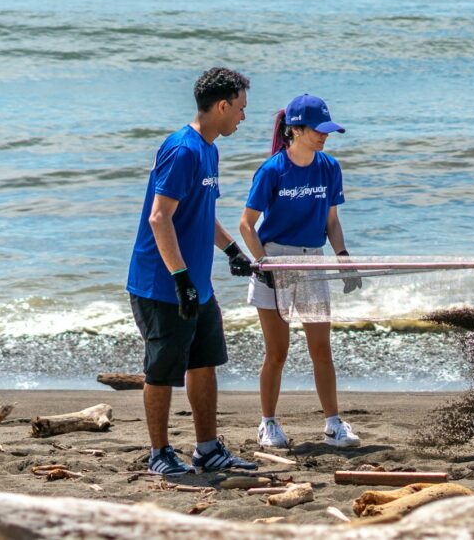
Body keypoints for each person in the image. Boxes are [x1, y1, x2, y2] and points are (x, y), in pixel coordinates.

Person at [127, 67, 259, 476]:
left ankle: (207, 449)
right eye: (240, 108)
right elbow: (159, 218)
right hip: (161, 285)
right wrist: (181, 279)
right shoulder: (183, 150)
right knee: (162, 371)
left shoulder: (210, 149)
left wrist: (233, 251)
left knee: (204, 362)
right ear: (222, 105)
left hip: (196, 285)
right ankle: (159, 452)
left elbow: (202, 214)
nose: (242, 116)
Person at [239, 93, 363, 450]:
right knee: (277, 351)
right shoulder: (272, 170)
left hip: (313, 261)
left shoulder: (329, 167)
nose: (324, 135)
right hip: (275, 260)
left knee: (321, 350)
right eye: (318, 129)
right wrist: (264, 265)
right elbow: (247, 225)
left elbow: (332, 221)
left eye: (328, 129)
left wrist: (342, 257)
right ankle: (268, 423)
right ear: (296, 129)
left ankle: (333, 424)